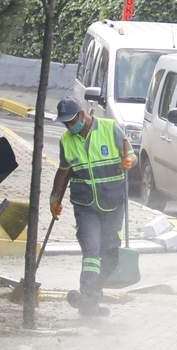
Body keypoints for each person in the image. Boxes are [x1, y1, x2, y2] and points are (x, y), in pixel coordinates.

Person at [49, 96, 134, 318]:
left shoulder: (109, 128)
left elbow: (130, 154)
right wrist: (55, 197)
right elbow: (63, 171)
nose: (69, 126)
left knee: (109, 251)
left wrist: (128, 162)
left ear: (82, 114)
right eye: (65, 123)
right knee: (91, 249)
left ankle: (91, 298)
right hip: (85, 204)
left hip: (113, 203)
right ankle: (88, 296)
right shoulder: (66, 140)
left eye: (71, 121)